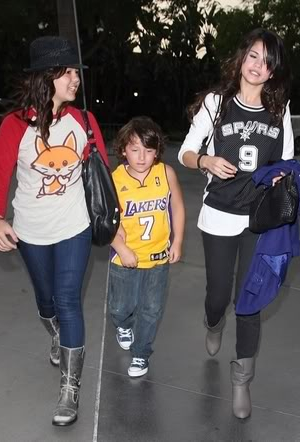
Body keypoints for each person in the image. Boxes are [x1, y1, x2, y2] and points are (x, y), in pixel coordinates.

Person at [0, 35, 109, 426]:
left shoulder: (83, 121)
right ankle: (53, 327)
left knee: (69, 299)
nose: (76, 79)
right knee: (47, 300)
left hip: (74, 224)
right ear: (48, 76)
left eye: (76, 72)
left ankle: (69, 389)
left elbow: (103, 173)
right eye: (69, 72)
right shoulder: (13, 126)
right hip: (30, 230)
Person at [178, 28, 294, 419]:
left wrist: (280, 177)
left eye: (268, 62)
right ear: (242, 58)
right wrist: (206, 161)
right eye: (254, 57)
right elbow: (186, 153)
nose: (259, 66)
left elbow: (286, 162)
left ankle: (242, 380)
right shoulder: (216, 103)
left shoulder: (280, 111)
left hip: (258, 220)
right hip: (219, 215)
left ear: (273, 71)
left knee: (249, 301)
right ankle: (213, 323)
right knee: (218, 295)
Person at [108, 116, 185, 377]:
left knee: (151, 310)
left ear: (157, 152)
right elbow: (105, 221)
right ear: (122, 150)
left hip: (157, 258)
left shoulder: (165, 173)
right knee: (121, 307)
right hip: (125, 259)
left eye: (149, 150)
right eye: (135, 149)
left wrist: (177, 240)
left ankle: (141, 354)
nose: (142, 157)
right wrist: (120, 247)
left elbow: (177, 206)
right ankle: (123, 325)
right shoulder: (115, 180)